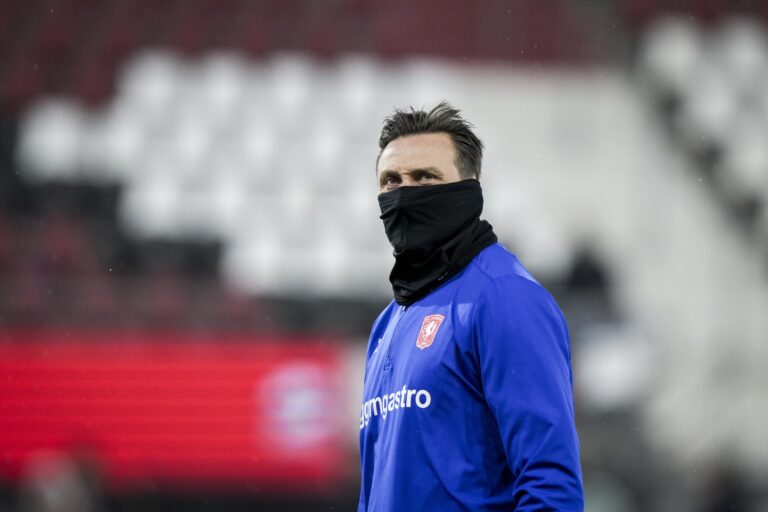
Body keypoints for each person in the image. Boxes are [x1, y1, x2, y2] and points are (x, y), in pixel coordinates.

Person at [358, 102, 584, 511]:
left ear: (469, 189)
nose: (405, 193)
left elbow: (550, 484)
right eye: (391, 180)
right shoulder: (387, 324)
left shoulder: (505, 297)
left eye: (425, 177)